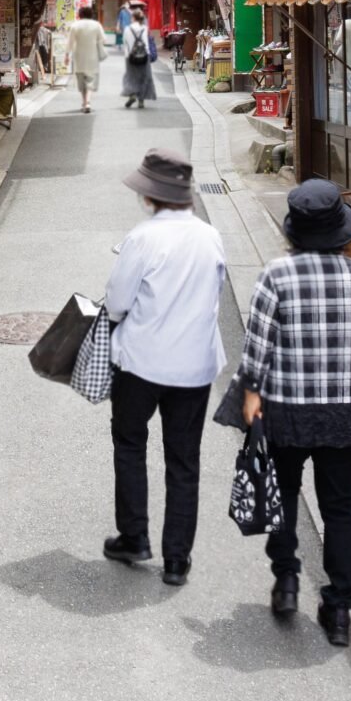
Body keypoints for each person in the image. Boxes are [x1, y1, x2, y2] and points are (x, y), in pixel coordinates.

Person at [239, 178, 351, 646]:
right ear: (342, 232)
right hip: (344, 410)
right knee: (339, 506)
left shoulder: (276, 275)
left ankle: (286, 580)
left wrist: (251, 393)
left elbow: (257, 344)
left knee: (283, 493)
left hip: (287, 408)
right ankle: (339, 608)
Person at [101, 147, 228, 585]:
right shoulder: (210, 235)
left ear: (151, 196)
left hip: (141, 361)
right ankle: (177, 559)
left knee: (131, 445)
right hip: (194, 365)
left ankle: (134, 536)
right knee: (183, 459)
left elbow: (117, 303)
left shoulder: (142, 238)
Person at [63, 8, 106, 112]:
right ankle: (87, 102)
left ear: (80, 15)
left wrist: (66, 55)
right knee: (90, 80)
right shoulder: (96, 25)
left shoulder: (75, 26)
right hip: (92, 55)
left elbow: (70, 42)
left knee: (81, 79)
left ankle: (84, 102)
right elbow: (103, 39)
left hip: (79, 56)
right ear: (91, 14)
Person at [120, 1, 157, 108]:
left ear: (133, 18)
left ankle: (132, 95)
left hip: (130, 56)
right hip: (144, 56)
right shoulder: (144, 28)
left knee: (131, 77)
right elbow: (145, 43)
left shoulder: (127, 29)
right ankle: (141, 100)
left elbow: (125, 43)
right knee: (143, 77)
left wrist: (127, 54)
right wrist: (149, 55)